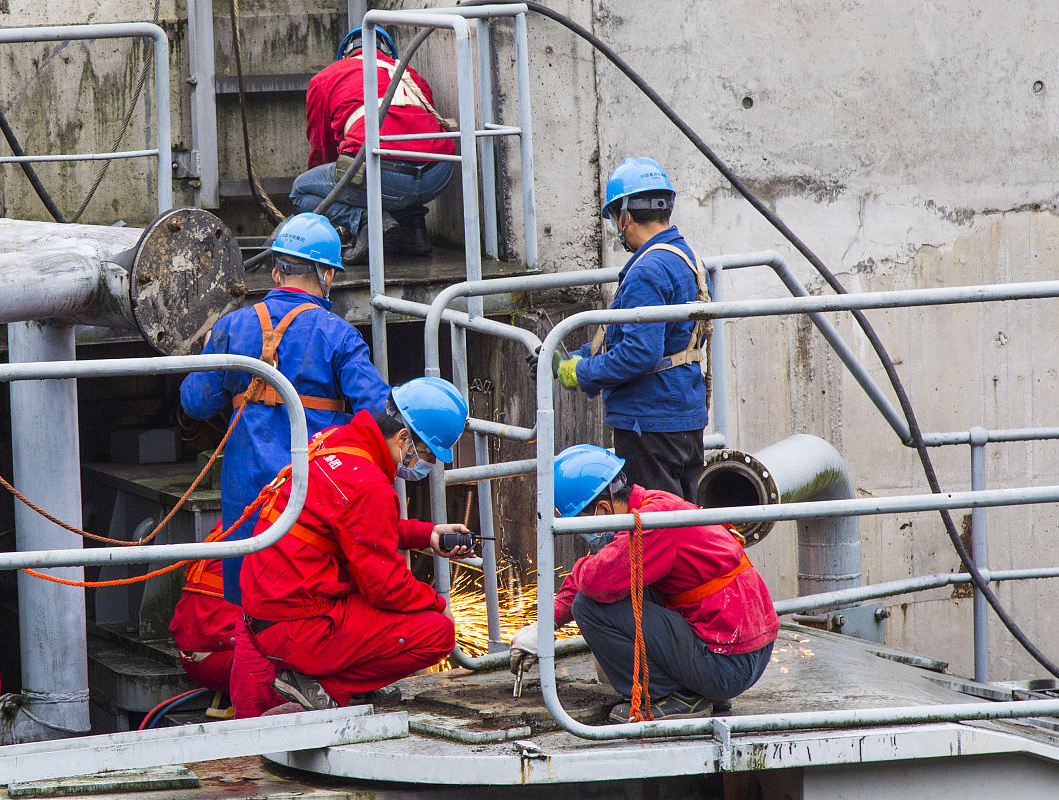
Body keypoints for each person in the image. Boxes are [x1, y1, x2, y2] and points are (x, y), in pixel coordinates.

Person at [230, 377, 474, 717]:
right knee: (436, 632)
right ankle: (322, 688)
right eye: (427, 455)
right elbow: (385, 587)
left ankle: (327, 677)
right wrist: (437, 603)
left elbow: (357, 527)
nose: (425, 466)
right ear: (403, 438)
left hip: (269, 609)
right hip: (297, 624)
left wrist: (426, 534)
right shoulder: (368, 483)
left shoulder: (338, 441)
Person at [179, 213, 390, 606]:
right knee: (313, 609)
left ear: (276, 272)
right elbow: (379, 415)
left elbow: (195, 402)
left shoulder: (231, 326)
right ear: (327, 275)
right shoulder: (339, 334)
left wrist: (210, 350)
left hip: (247, 496)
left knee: (249, 615)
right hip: (314, 494)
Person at [509, 444, 778, 723]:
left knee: (589, 606)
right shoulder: (653, 504)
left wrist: (549, 622)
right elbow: (606, 568)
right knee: (624, 582)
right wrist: (545, 624)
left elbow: (594, 581)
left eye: (579, 522)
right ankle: (698, 689)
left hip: (728, 665)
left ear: (602, 509)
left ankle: (670, 697)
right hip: (738, 655)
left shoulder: (652, 527)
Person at [541, 157, 712, 508]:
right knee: (687, 521)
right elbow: (657, 342)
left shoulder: (646, 270)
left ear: (625, 215)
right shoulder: (686, 259)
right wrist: (570, 360)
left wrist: (581, 373)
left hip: (648, 424)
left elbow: (640, 352)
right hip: (683, 418)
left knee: (654, 531)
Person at [290, 25, 456, 264]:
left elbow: (322, 147)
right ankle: (414, 230)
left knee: (301, 191)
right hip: (439, 174)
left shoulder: (326, 77)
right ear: (390, 53)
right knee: (400, 160)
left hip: (383, 178)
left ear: (345, 54)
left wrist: (337, 193)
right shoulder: (411, 74)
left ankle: (367, 222)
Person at [168, 524, 240, 694]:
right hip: (224, 661)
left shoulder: (225, 526)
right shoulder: (272, 529)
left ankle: (225, 696)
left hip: (189, 655)